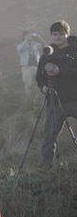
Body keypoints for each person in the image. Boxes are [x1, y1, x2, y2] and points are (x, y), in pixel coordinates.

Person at [38, 21, 77, 165]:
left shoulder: (75, 50)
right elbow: (39, 77)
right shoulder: (47, 53)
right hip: (54, 100)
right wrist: (43, 88)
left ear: (67, 34)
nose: (58, 37)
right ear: (51, 36)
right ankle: (44, 170)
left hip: (74, 98)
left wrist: (61, 71)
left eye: (61, 33)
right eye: (55, 34)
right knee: (49, 137)